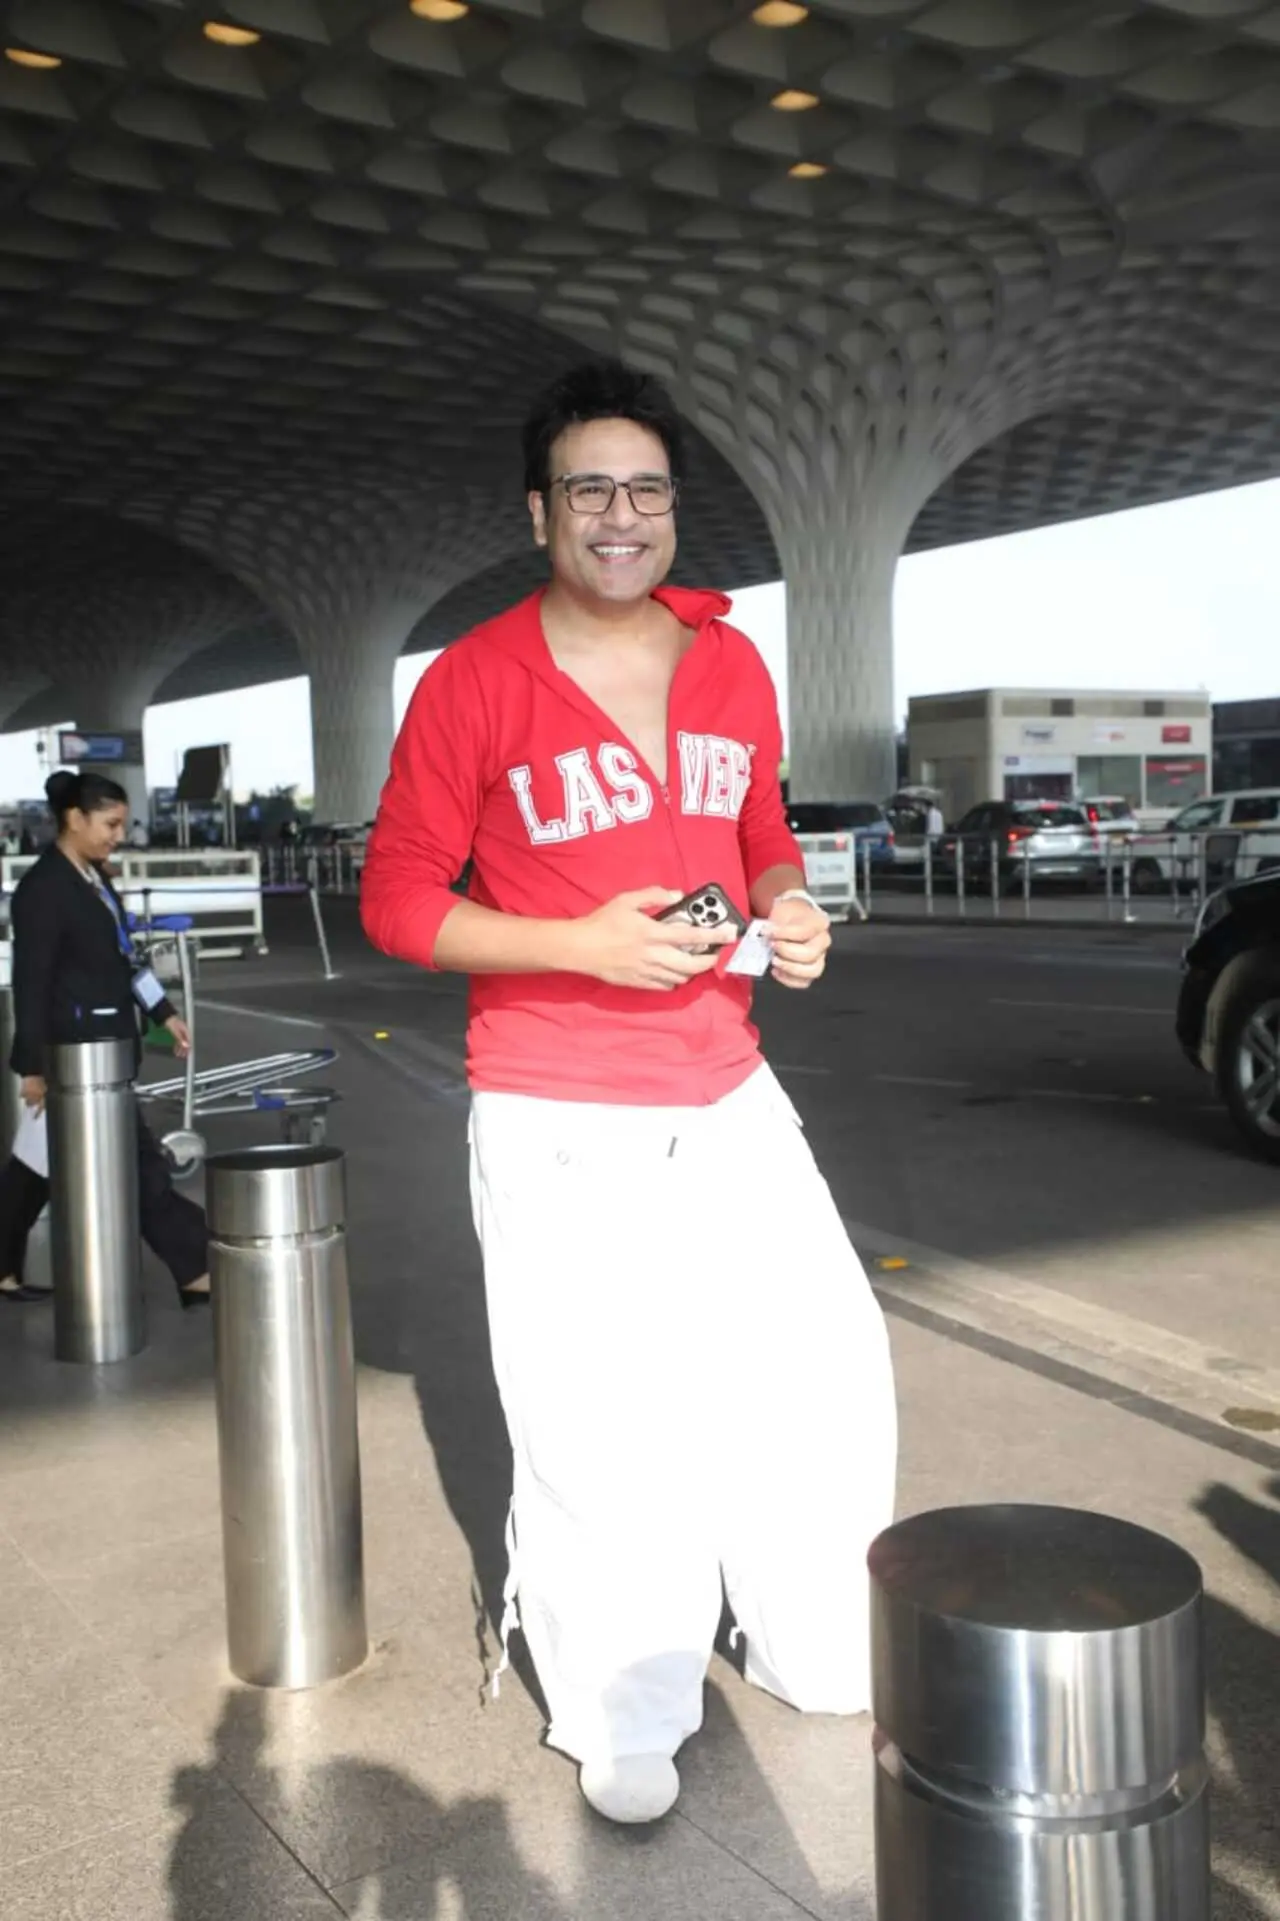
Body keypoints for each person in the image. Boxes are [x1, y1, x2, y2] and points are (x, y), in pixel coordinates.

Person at [361, 360, 897, 1826]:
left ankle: (818, 1641)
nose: (621, 514)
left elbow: (759, 820)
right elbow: (399, 901)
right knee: (604, 1415)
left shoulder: (729, 657)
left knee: (820, 1368)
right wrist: (576, 942)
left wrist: (789, 907)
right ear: (540, 513)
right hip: (556, 1100)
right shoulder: (474, 681)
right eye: (589, 489)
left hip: (727, 1082)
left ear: (674, 512)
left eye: (646, 489)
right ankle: (621, 1701)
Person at [0, 770, 210, 1305]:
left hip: (104, 1052)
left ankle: (1, 1268)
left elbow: (123, 957)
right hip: (75, 1059)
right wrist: (32, 1067)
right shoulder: (44, 889)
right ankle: (194, 1267)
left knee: (32, 1171)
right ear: (75, 818)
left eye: (121, 823)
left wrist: (162, 1011)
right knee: (136, 1165)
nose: (120, 834)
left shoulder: (95, 880)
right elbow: (31, 981)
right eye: (110, 823)